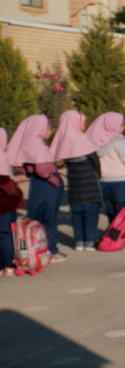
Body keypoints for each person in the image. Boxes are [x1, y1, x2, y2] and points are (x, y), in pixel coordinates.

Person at [9, 114, 66, 261]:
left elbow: (23, 167)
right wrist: (55, 180)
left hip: (36, 185)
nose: (50, 131)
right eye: (48, 127)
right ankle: (52, 251)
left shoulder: (25, 143)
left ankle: (31, 251)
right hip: (47, 185)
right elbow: (42, 168)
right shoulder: (38, 144)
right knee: (49, 219)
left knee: (35, 218)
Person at [50, 110, 103, 251]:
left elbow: (58, 161)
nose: (83, 124)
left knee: (77, 214)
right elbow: (95, 160)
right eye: (82, 122)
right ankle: (90, 241)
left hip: (74, 185)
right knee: (91, 213)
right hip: (89, 185)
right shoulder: (83, 139)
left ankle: (79, 241)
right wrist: (98, 175)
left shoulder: (62, 140)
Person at [86, 112, 125, 228]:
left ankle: (113, 228)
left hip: (105, 179)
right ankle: (124, 230)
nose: (123, 127)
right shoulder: (119, 140)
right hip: (121, 179)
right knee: (123, 208)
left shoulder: (97, 139)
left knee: (110, 207)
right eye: (122, 125)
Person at [0, 128, 19, 275]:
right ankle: (8, 264)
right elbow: (7, 182)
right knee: (6, 233)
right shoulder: (2, 157)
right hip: (4, 203)